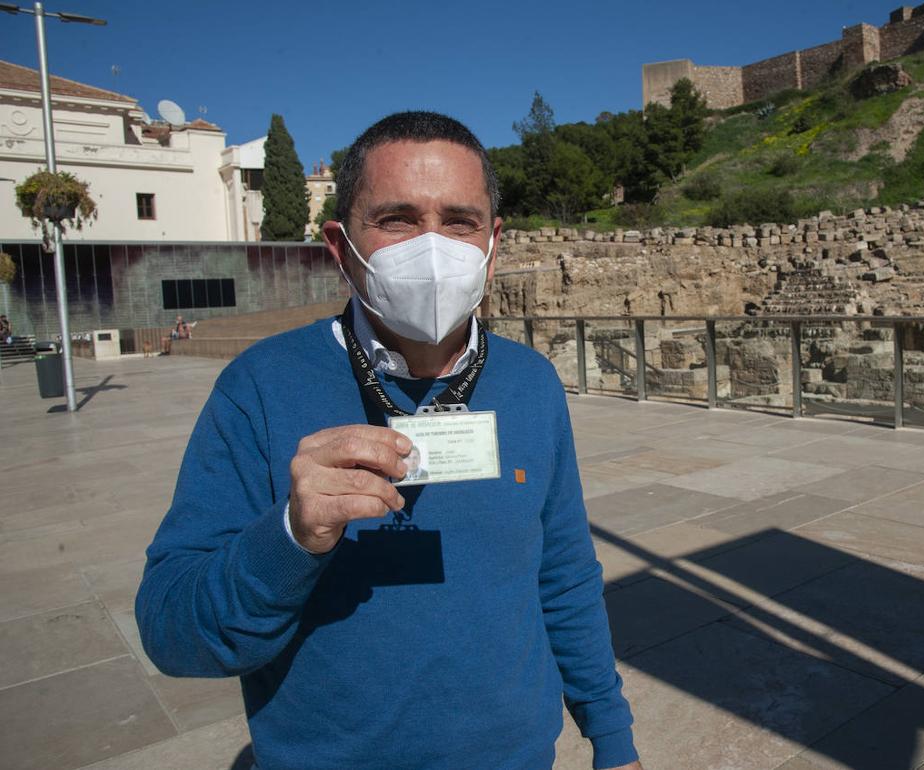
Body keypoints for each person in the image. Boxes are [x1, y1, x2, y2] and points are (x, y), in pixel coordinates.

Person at [136, 111, 641, 770]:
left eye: (459, 221)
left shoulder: (532, 385)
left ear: (492, 246)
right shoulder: (259, 387)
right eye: (398, 219)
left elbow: (564, 576)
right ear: (340, 246)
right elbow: (173, 631)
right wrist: (288, 537)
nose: (433, 247)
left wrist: (612, 737)